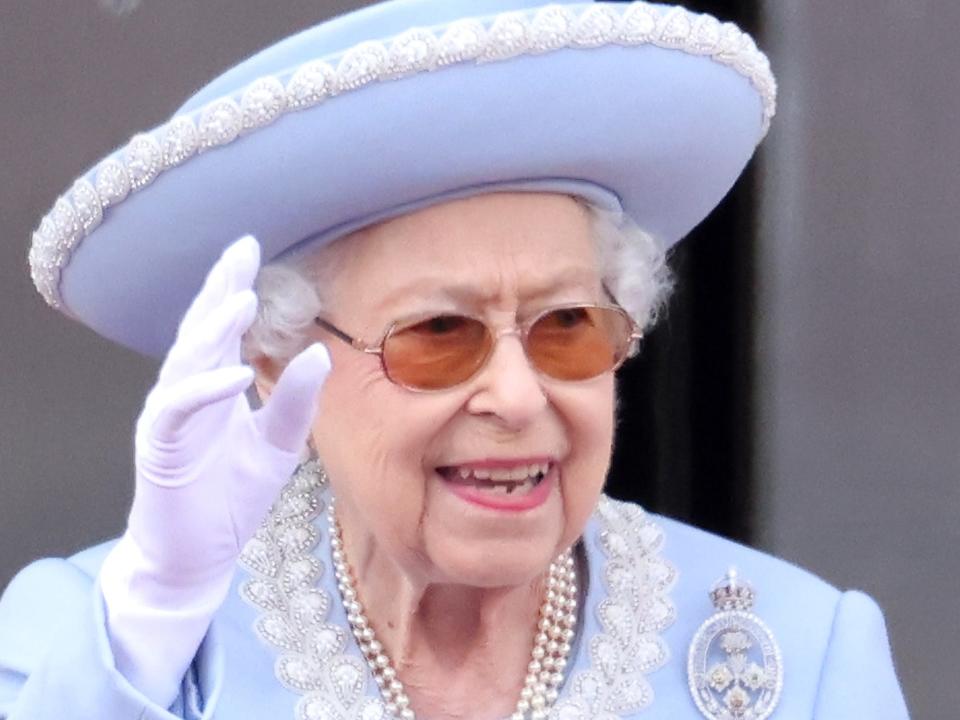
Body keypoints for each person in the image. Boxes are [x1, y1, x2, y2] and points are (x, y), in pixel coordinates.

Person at [0, 1, 909, 718]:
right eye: (439, 335)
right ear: (276, 362)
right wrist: (147, 628)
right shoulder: (94, 643)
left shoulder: (803, 659)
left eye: (566, 327)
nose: (517, 397)